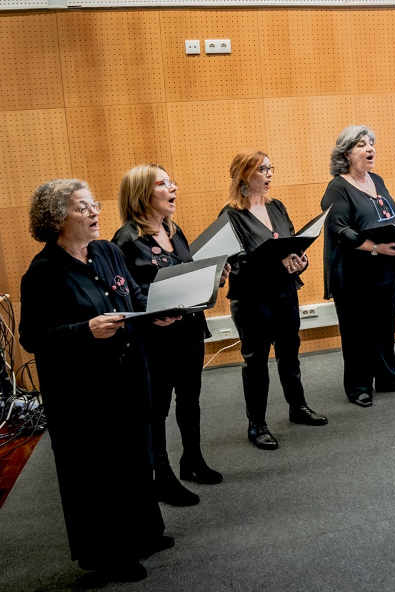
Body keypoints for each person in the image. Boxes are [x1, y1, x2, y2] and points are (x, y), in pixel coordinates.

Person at [19, 180, 175, 581]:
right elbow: (33, 337)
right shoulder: (43, 272)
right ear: (56, 219)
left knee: (134, 457)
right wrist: (84, 330)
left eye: (95, 205)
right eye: (82, 208)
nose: (95, 212)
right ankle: (105, 554)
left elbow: (133, 295)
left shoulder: (106, 252)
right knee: (97, 473)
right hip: (83, 391)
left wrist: (155, 312)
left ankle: (142, 533)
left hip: (128, 375)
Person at [112, 164, 219, 506]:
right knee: (156, 409)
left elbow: (184, 274)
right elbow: (126, 293)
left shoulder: (174, 230)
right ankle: (162, 476)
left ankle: (193, 460)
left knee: (189, 399)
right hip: (154, 340)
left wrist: (215, 277)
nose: (173, 187)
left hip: (188, 330)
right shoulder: (126, 239)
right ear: (142, 193)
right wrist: (150, 314)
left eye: (172, 181)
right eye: (163, 183)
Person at [222, 151, 327, 450]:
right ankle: (257, 424)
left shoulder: (276, 206)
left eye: (271, 169)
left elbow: (294, 243)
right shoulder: (231, 215)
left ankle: (298, 407)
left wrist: (300, 262)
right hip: (253, 298)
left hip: (285, 292)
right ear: (245, 176)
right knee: (256, 362)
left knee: (289, 351)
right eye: (262, 170)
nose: (269, 175)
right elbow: (236, 266)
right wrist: (276, 264)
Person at [320, 126, 395, 407]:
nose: (370, 149)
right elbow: (341, 230)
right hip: (354, 273)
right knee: (356, 333)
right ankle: (358, 386)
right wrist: (376, 248)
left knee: (384, 328)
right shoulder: (337, 187)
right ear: (346, 154)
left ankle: (387, 378)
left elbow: (377, 214)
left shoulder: (375, 179)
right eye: (362, 145)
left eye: (371, 143)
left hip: (385, 270)